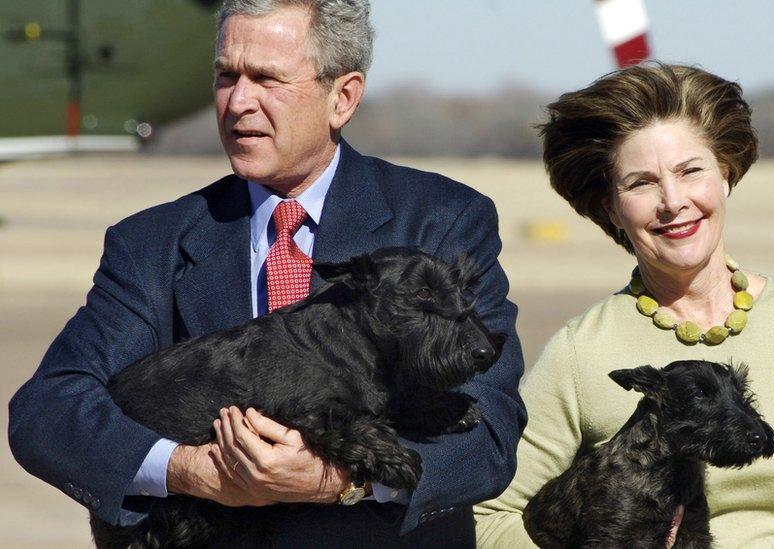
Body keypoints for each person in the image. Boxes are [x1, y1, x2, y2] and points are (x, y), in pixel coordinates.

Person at [8, 0, 526, 546]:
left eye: (267, 79)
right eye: (226, 76)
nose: (238, 103)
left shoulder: (443, 221)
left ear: (342, 97)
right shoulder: (149, 244)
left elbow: (488, 433)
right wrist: (192, 470)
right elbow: (47, 410)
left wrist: (341, 480)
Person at [473, 63, 774, 548]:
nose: (672, 201)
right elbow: (489, 513)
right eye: (640, 183)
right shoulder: (580, 349)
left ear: (725, 176)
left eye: (690, 171)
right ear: (611, 207)